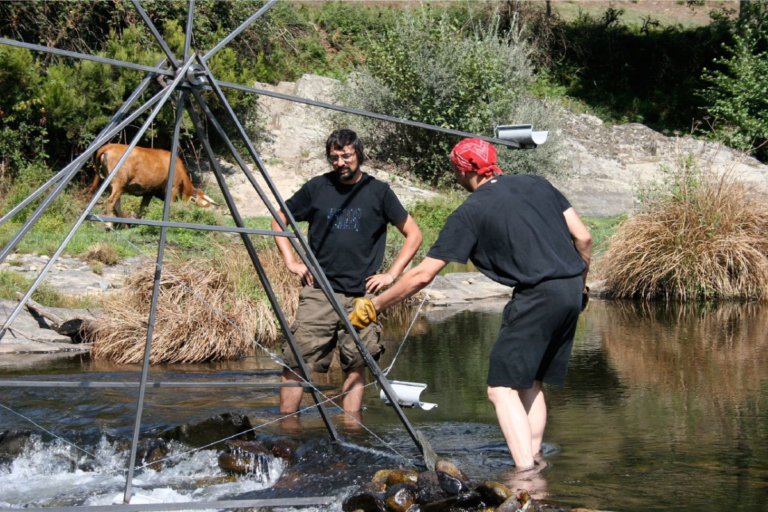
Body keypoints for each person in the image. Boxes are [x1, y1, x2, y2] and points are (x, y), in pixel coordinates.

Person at [349, 138, 592, 472]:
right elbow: (584, 238)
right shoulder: (538, 183)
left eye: (454, 169)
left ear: (464, 170)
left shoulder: (470, 211)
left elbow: (422, 275)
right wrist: (580, 286)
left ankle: (526, 476)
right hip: (570, 288)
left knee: (500, 390)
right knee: (531, 382)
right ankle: (535, 459)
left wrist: (374, 306)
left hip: (537, 295)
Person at [272, 129, 423, 414]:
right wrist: (291, 262)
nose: (340, 162)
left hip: (362, 296)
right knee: (295, 363)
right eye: (334, 157)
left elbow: (414, 234)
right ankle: (287, 429)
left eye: (346, 156)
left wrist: (391, 274)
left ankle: (351, 431)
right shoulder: (317, 188)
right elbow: (278, 219)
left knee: (356, 365)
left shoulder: (379, 192)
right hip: (319, 294)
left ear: (359, 155)